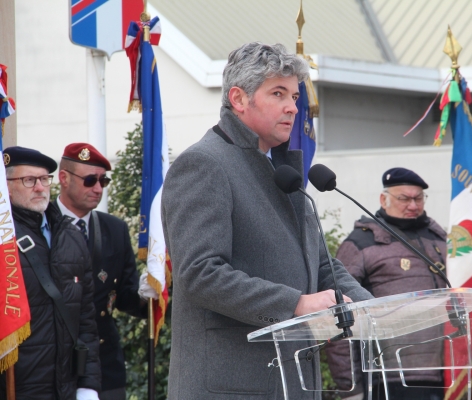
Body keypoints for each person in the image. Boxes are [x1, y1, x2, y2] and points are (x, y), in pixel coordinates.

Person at [161, 42, 373, 400]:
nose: (293, 106)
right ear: (239, 99)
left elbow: (320, 265)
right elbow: (200, 273)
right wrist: (296, 304)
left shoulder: (282, 170)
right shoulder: (204, 165)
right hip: (230, 388)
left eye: (293, 95)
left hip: (292, 385)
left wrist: (370, 308)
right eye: (278, 93)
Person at [326, 167, 448, 400]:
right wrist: (351, 388)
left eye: (419, 198)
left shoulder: (439, 240)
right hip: (386, 379)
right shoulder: (360, 243)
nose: (413, 205)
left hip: (446, 376)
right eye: (404, 198)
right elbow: (338, 318)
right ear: (384, 199)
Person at [0, 146, 101, 399]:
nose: (40, 187)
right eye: (29, 180)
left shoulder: (70, 236)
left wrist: (88, 385)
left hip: (66, 388)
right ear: (6, 187)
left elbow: (86, 321)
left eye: (45, 179)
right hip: (16, 388)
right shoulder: (3, 242)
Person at [56, 143, 155, 400]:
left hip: (104, 364)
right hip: (52, 365)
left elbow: (125, 298)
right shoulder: (42, 225)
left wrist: (149, 293)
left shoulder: (114, 229)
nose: (98, 189)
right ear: (63, 178)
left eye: (103, 180)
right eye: (90, 180)